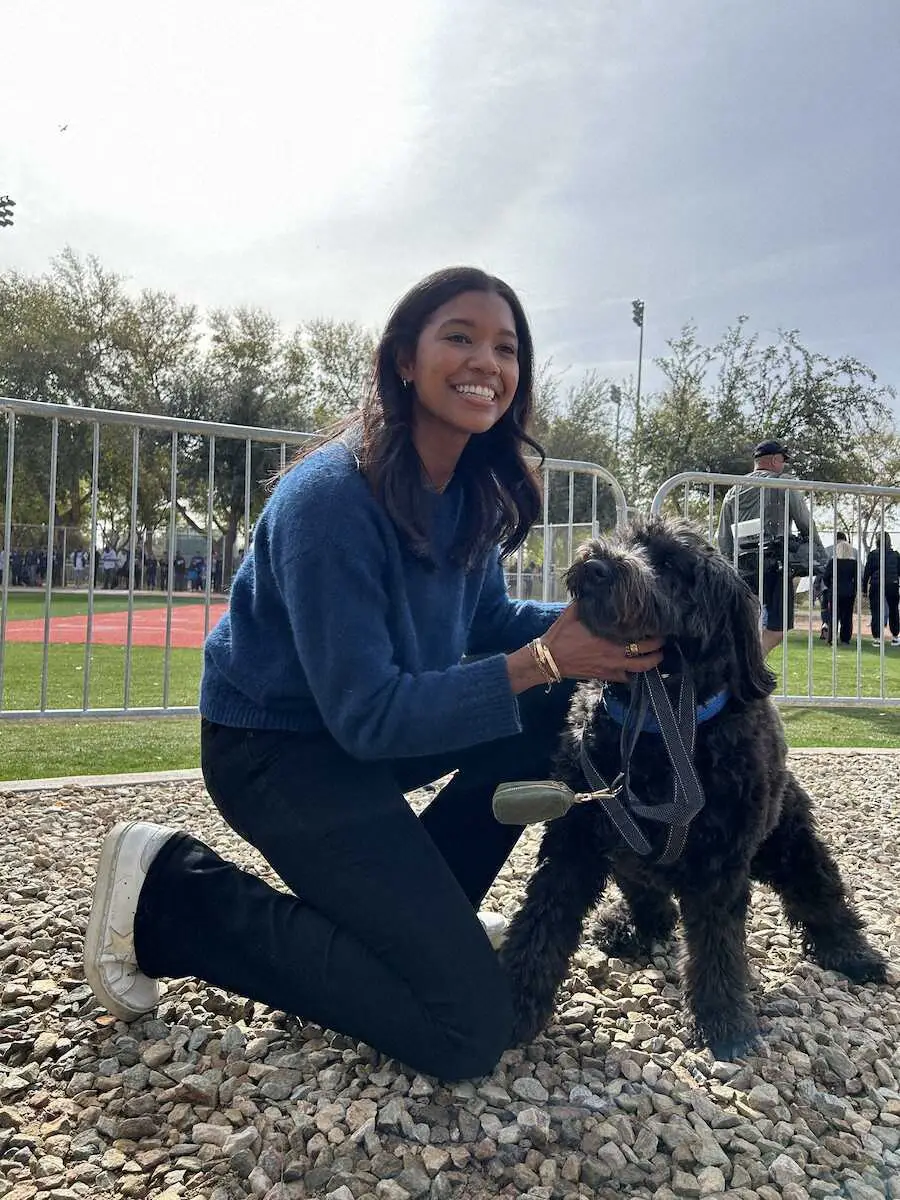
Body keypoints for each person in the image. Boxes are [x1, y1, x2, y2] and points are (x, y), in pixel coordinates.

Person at [83, 266, 664, 1081]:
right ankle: (175, 895)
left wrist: (606, 638)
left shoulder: (470, 491)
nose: (485, 362)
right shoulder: (331, 501)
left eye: (505, 348)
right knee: (466, 1030)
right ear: (403, 359)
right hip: (275, 750)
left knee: (552, 698)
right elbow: (371, 717)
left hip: (362, 736)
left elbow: (489, 623)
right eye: (458, 337)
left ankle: (420, 922)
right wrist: (544, 660)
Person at [716, 438, 826, 656]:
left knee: (746, 626)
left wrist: (727, 567)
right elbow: (805, 522)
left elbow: (723, 536)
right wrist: (820, 556)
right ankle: (749, 670)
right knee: (777, 629)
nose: (784, 464)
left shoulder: (733, 490)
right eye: (783, 460)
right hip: (775, 566)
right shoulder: (783, 483)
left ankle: (745, 671)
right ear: (776, 460)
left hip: (742, 567)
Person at [862, 532, 900, 646]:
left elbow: (867, 572)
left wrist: (864, 589)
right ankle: (895, 636)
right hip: (892, 584)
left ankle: (877, 638)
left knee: (876, 611)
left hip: (876, 584)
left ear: (877, 542)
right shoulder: (895, 555)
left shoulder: (873, 554)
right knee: (894, 610)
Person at [820, 532, 858, 646]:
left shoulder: (833, 562)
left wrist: (830, 586)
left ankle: (831, 638)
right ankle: (845, 639)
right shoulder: (853, 563)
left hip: (835, 592)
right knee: (847, 617)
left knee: (833, 616)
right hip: (849, 593)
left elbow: (825, 577)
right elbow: (856, 579)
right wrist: (854, 590)